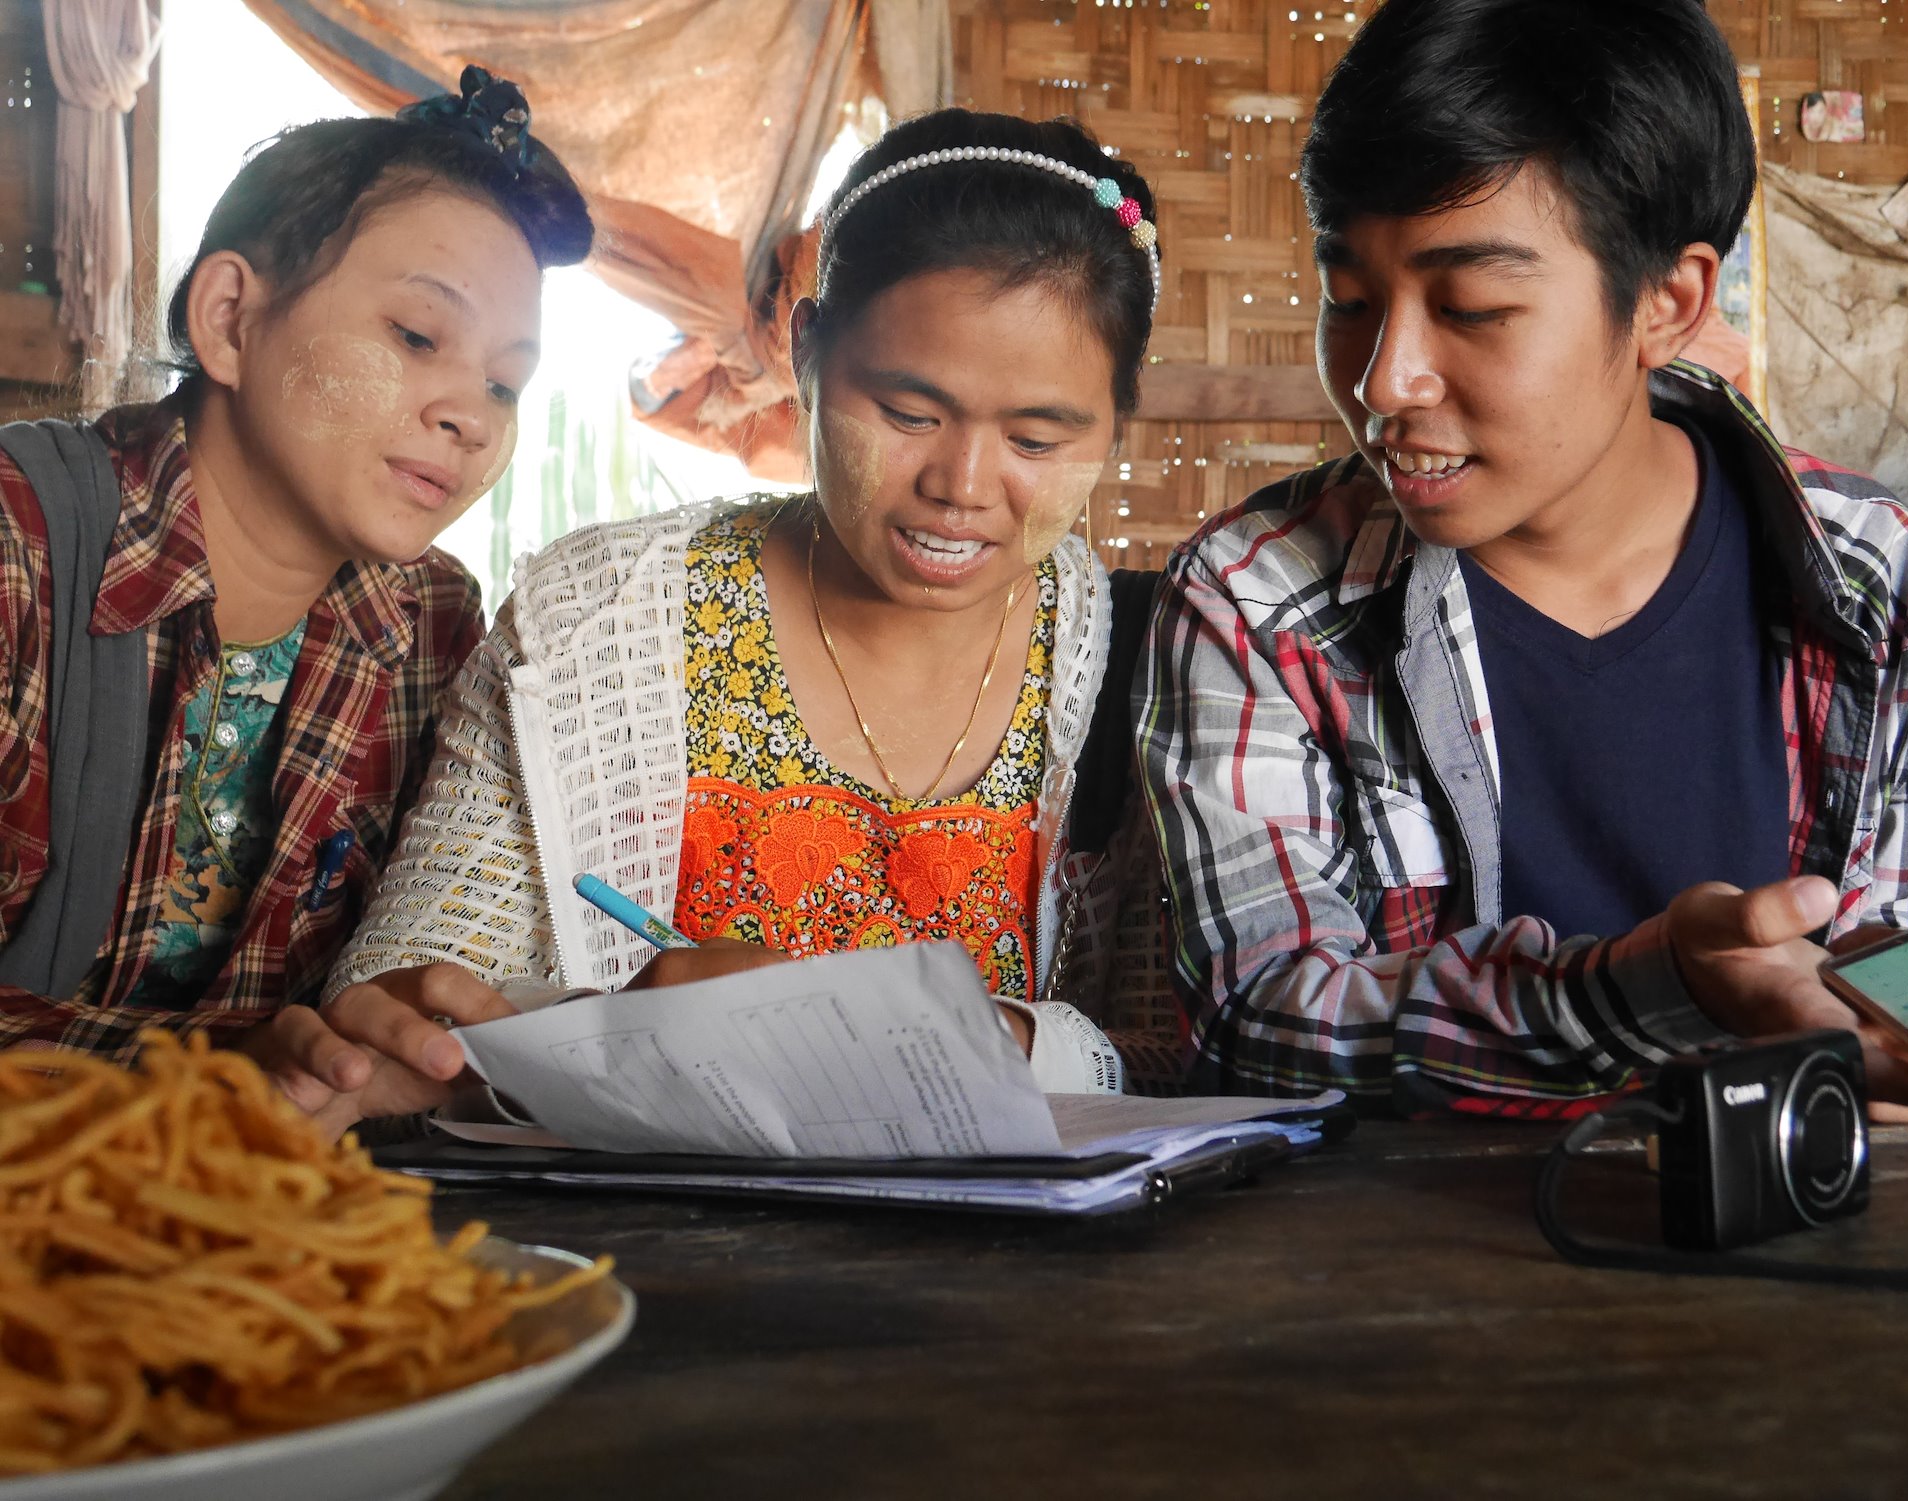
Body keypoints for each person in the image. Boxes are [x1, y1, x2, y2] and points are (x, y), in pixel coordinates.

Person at [1136, 0, 1908, 1131]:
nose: (1384, 378)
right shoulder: (1257, 602)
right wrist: (1640, 992)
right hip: (1397, 1286)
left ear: (1667, 302)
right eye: (1349, 300)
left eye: (1472, 308)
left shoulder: (1899, 597)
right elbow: (1256, 1025)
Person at [267, 110, 1182, 1138]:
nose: (960, 487)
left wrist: (929, 1034)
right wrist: (612, 1038)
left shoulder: (1155, 661)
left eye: (1035, 435)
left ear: (1114, 423)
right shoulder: (599, 621)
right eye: (908, 414)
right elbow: (416, 988)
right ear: (805, 352)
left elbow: (1199, 1058)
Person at [0, 68, 592, 1056]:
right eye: (415, 334)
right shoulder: (20, 546)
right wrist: (233, 1083)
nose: (471, 413)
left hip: (261, 1194)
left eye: (504, 381)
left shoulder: (431, 625)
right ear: (230, 318)